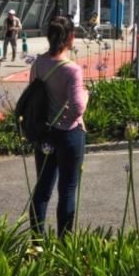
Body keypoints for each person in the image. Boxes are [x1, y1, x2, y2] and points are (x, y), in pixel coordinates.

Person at [29, 16, 88, 237]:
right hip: (68, 134)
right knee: (67, 190)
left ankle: (37, 239)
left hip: (44, 133)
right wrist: (86, 94)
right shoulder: (71, 69)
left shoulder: (38, 64)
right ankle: (64, 241)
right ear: (70, 37)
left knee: (42, 188)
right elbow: (78, 108)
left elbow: (34, 96)